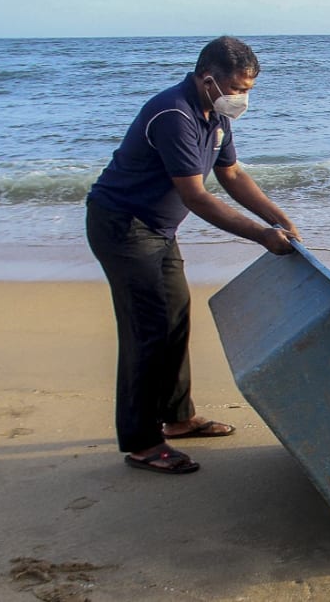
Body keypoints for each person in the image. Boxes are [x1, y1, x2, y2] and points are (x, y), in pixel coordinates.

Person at [86, 36, 301, 474]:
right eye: (238, 88)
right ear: (208, 80)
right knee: (147, 331)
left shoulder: (214, 115)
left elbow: (233, 174)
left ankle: (179, 418)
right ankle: (143, 442)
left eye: (249, 90)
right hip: (123, 228)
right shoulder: (174, 115)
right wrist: (262, 236)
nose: (242, 98)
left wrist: (280, 218)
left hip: (159, 230)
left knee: (176, 316)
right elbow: (198, 198)